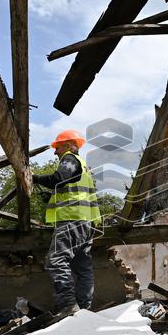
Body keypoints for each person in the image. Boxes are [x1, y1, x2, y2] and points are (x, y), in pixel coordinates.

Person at [34, 130, 101, 316]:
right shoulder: (84, 165)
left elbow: (58, 179)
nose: (55, 152)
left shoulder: (70, 159)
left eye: (58, 147)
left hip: (72, 220)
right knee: (82, 267)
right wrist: (52, 195)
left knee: (55, 261)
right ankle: (84, 310)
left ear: (69, 145)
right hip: (86, 222)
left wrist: (34, 178)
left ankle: (69, 306)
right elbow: (70, 187)